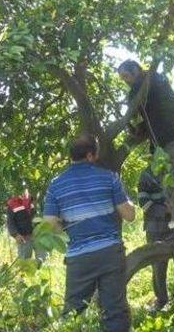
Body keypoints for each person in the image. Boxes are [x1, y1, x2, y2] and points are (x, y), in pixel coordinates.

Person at [43, 134, 135, 332]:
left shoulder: (56, 184)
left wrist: (68, 234)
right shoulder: (109, 178)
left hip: (79, 256)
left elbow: (49, 223)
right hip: (110, 252)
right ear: (91, 155)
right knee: (115, 311)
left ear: (71, 156)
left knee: (73, 313)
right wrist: (130, 203)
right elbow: (129, 215)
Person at [117, 60, 174, 239]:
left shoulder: (153, 81)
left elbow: (145, 104)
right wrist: (139, 127)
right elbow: (155, 113)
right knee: (173, 183)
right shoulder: (153, 85)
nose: (126, 81)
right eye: (122, 79)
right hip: (169, 142)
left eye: (126, 76)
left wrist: (132, 103)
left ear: (136, 71)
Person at [138, 168, 174, 312]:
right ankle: (161, 301)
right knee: (158, 266)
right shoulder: (147, 173)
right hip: (156, 228)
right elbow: (143, 202)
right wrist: (165, 211)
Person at [6, 189, 46, 263]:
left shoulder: (33, 201)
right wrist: (15, 235)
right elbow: (10, 222)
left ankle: (38, 271)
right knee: (24, 261)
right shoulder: (13, 204)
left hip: (37, 235)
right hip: (23, 238)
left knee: (41, 258)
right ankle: (23, 274)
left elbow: (40, 215)